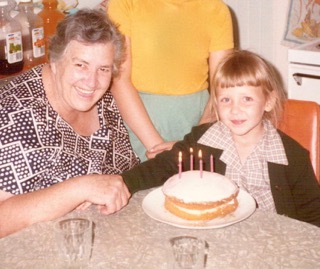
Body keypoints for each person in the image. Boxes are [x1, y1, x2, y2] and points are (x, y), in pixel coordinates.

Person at [117, 50, 320, 226]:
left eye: (247, 99)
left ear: (268, 102)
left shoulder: (292, 156)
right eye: (226, 100)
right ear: (215, 103)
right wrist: (122, 183)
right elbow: (163, 165)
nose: (235, 109)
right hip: (216, 238)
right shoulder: (202, 140)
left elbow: (313, 216)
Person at [0, 9, 140, 237]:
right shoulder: (15, 113)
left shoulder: (105, 101)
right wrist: (81, 188)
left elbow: (125, 174)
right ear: (55, 61)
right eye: (80, 65)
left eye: (103, 69)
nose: (92, 82)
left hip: (106, 237)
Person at [107, 0, 234, 161]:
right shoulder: (124, 3)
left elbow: (222, 87)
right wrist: (156, 147)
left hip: (199, 121)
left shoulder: (216, 10)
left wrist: (195, 142)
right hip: (137, 121)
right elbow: (119, 80)